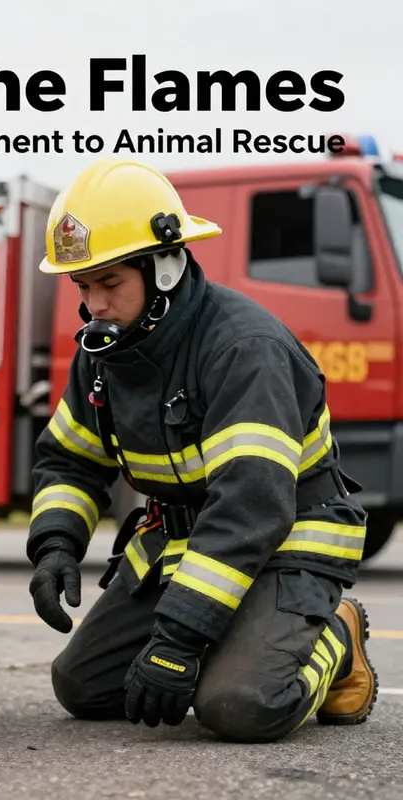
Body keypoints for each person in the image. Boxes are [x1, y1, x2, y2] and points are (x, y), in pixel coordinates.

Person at [26, 158, 378, 742]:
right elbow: (71, 459)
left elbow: (251, 507)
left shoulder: (245, 348)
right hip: (183, 543)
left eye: (109, 283)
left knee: (241, 707)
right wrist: (56, 545)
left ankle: (336, 638)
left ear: (165, 266)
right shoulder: (103, 352)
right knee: (84, 688)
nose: (94, 306)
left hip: (284, 542)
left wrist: (179, 638)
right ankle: (242, 633)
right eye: (83, 287)